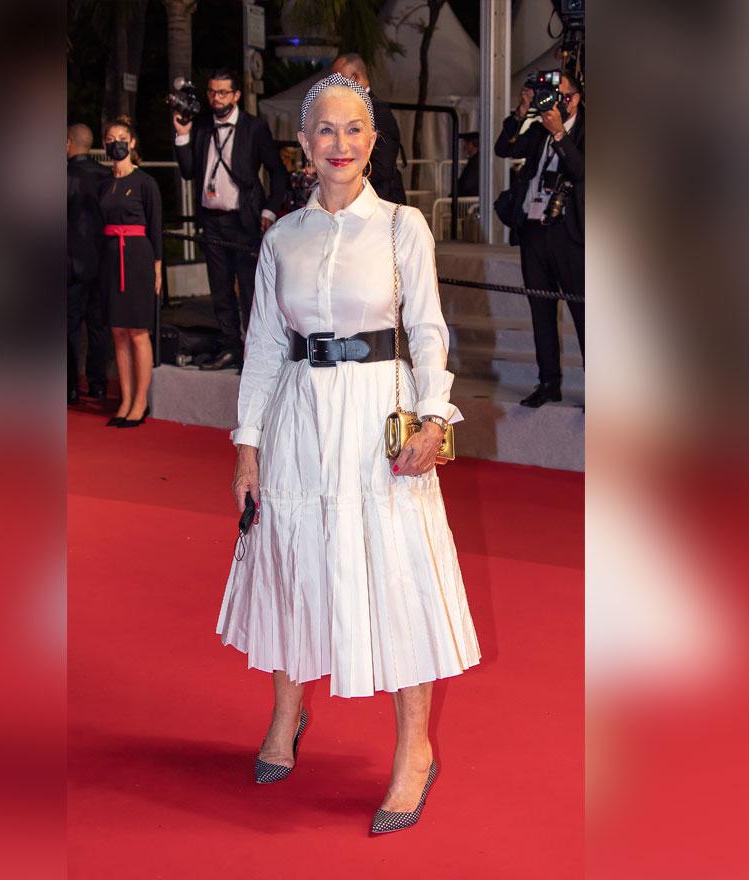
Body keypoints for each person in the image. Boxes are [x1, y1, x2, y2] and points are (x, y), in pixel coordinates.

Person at [215, 73, 480, 834]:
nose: (340, 144)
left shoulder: (403, 227)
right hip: (300, 413)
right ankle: (286, 715)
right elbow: (264, 346)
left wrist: (434, 417)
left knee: (396, 574)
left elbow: (428, 330)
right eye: (325, 131)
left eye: (354, 129)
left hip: (378, 421)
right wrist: (247, 446)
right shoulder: (281, 238)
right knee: (294, 560)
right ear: (304, 144)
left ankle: (415, 750)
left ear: (373, 140)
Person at [173, 69, 287, 371]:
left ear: (236, 95)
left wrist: (269, 210)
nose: (216, 98)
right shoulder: (201, 126)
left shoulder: (254, 128)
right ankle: (230, 348)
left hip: (245, 221)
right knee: (220, 288)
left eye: (223, 92)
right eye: (212, 92)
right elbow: (187, 172)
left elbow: (278, 172)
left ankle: (256, 354)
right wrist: (182, 134)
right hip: (212, 220)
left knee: (250, 289)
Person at [495, 72, 584, 408]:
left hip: (571, 234)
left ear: (573, 98)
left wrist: (559, 133)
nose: (550, 100)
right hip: (534, 230)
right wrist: (521, 111)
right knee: (541, 311)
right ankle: (549, 382)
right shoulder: (536, 129)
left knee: (584, 313)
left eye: (557, 94)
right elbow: (503, 148)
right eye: (547, 93)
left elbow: (583, 171)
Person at [97, 117, 162, 428]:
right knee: (117, 332)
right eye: (110, 138)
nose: (115, 142)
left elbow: (156, 228)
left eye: (121, 137)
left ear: (132, 143)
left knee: (137, 332)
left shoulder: (145, 182)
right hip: (110, 257)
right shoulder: (104, 183)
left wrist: (158, 268)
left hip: (138, 258)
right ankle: (124, 399)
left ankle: (140, 402)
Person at [67, 123, 110, 405]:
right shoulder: (107, 176)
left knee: (69, 325)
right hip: (103, 260)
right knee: (98, 325)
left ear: (68, 143)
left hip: (70, 261)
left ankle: (69, 387)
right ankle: (98, 385)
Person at [329, 53, 407, 204]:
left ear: (355, 78)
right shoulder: (351, 110)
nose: (333, 87)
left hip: (379, 203)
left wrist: (340, 172)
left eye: (338, 80)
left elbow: (382, 168)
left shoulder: (379, 112)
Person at [455, 132, 480, 197]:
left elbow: (467, 184)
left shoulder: (475, 162)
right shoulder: (476, 160)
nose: (465, 146)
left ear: (471, 144)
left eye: (466, 143)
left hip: (469, 203)